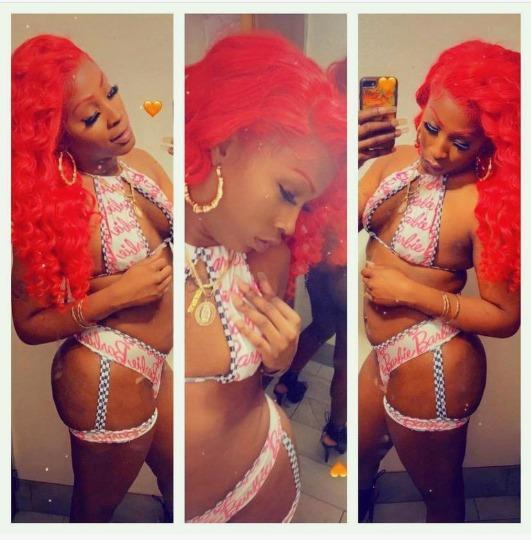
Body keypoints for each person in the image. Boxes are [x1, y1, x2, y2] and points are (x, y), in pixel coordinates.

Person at [185, 32, 346, 522]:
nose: (291, 226)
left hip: (266, 477)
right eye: (288, 192)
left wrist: (278, 361)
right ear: (224, 143)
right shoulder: (144, 236)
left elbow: (250, 385)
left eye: (305, 206)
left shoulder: (267, 257)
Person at [11, 34, 173, 522]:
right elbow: (29, 324)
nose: (116, 114)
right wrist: (116, 295)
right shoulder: (50, 207)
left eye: (112, 91)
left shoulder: (141, 164)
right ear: (55, 136)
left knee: (182, 483)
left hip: (159, 365)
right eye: (90, 116)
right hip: (105, 373)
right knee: (93, 514)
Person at [358, 40, 520, 522]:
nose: (436, 150)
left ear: (489, 141)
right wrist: (351, 157)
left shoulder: (485, 206)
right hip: (381, 354)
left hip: (435, 359)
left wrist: (411, 293)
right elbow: (331, 232)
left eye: (461, 142)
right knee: (360, 464)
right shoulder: (390, 162)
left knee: (440, 493)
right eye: (431, 127)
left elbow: (506, 317)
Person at [273, 58, 347, 463]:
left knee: (322, 324)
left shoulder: (318, 138)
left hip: (319, 254)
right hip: (344, 262)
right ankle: (336, 429)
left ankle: (288, 382)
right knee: (345, 353)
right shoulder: (366, 145)